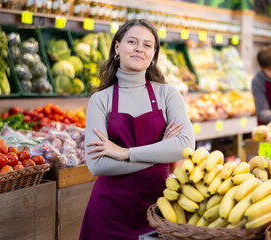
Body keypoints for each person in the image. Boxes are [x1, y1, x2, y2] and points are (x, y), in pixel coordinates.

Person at [79, 19, 195, 240]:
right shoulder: (100, 100)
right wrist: (161, 152)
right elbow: (97, 164)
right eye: (132, 42)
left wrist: (125, 153)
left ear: (153, 53)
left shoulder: (167, 94)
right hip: (107, 213)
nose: (139, 49)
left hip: (156, 211)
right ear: (117, 47)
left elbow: (185, 146)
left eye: (147, 45)